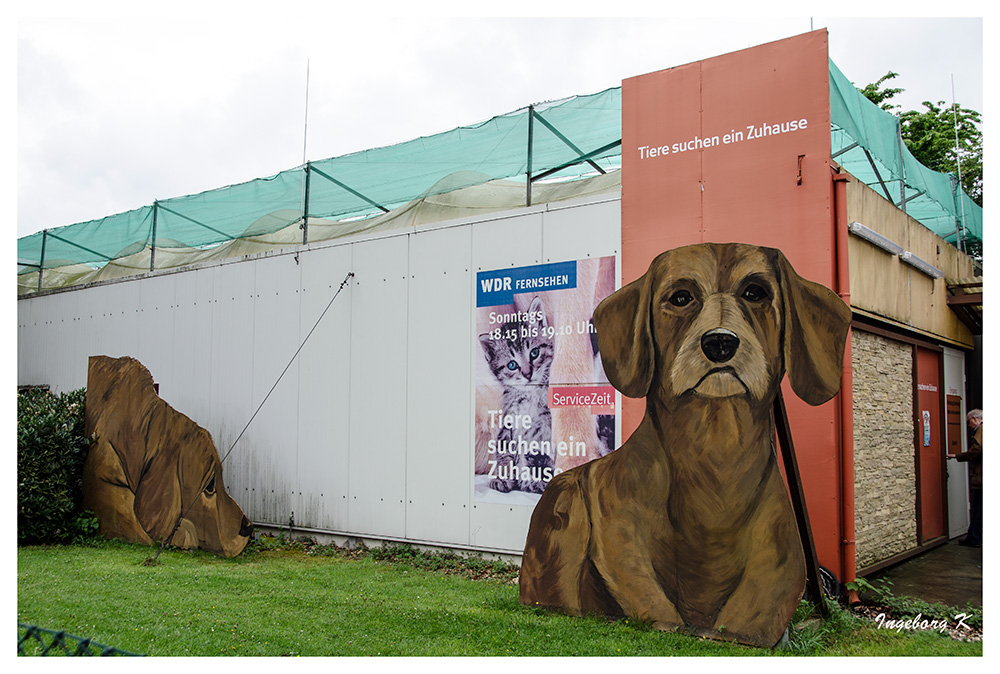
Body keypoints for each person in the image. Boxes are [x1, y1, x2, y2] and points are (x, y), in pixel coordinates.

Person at [949, 409, 982, 548]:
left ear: (975, 419)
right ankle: (973, 537)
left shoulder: (982, 430)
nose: (968, 426)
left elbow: (977, 449)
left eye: (969, 422)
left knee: (979, 509)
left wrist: (958, 456)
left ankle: (974, 538)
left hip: (982, 477)